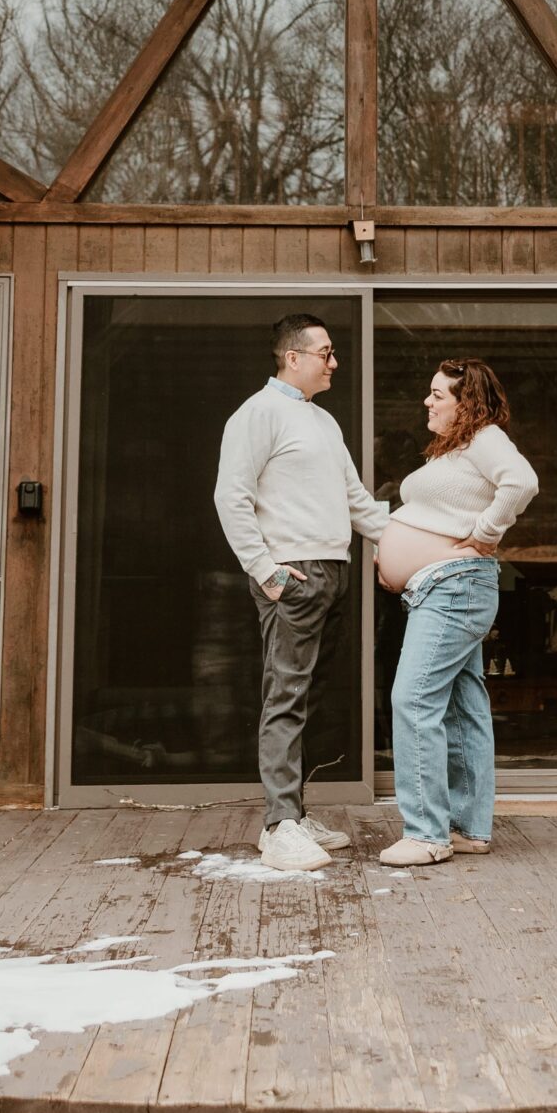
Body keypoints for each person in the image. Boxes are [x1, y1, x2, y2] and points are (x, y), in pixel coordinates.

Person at [214, 312, 389, 873]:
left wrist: (415, 539)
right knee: (285, 695)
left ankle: (295, 812)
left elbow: (358, 500)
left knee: (309, 696)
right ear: (293, 357)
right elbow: (230, 497)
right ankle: (278, 825)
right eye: (326, 353)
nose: (334, 362)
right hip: (290, 572)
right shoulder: (257, 414)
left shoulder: (324, 422)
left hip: (333, 569)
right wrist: (266, 571)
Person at [376, 358, 538, 868]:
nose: (428, 401)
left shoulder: (485, 436)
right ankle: (469, 828)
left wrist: (487, 533)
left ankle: (426, 833)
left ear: (466, 404)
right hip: (441, 589)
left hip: (455, 589)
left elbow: (522, 482)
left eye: (438, 395)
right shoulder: (455, 450)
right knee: (462, 706)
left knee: (414, 697)